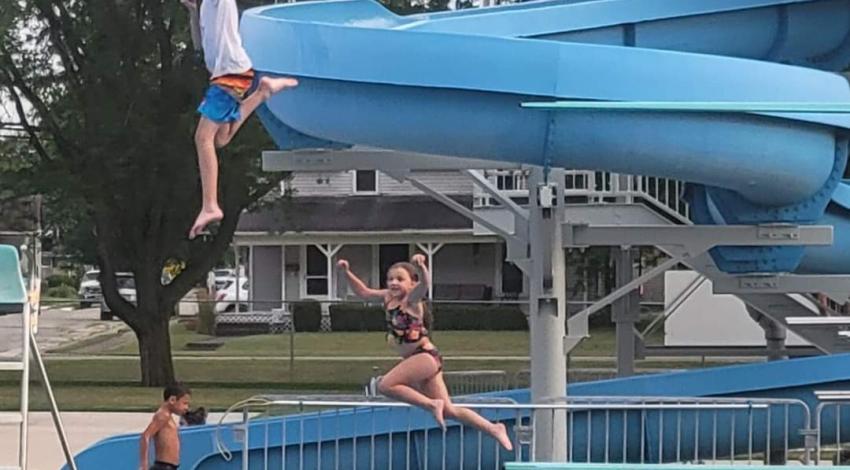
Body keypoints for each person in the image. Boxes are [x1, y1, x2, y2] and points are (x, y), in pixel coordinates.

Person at [337, 254, 513, 451]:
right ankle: (493, 428)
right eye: (390, 279)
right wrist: (346, 273)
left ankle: (430, 405)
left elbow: (425, 285)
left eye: (400, 279)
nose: (394, 283)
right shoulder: (388, 297)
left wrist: (421, 267)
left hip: (425, 356)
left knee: (386, 385)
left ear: (412, 283)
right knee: (449, 411)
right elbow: (364, 292)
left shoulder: (412, 300)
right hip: (419, 360)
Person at [181, 0, 299, 239]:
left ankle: (210, 205)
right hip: (225, 75)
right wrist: (193, 12)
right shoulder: (205, 8)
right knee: (219, 139)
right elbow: (199, 46)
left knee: (202, 138)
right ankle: (263, 92)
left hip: (230, 74)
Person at [139, 383, 192, 470]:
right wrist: (144, 465)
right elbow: (146, 436)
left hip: (169, 466)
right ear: (172, 400)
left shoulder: (168, 416)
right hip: (163, 466)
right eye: (184, 403)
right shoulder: (163, 416)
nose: (187, 407)